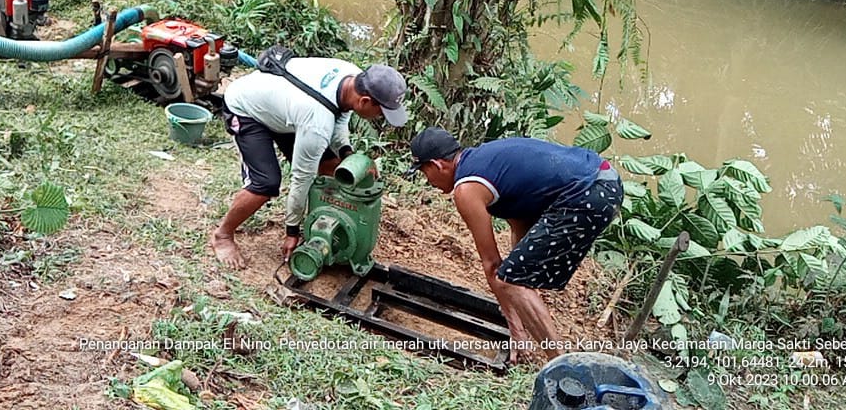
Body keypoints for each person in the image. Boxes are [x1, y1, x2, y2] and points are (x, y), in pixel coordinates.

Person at [409, 127, 623, 360]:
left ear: (437, 165)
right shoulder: (489, 163)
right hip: (605, 180)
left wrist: (516, 330)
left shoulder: (466, 189)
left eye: (424, 172)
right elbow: (520, 234)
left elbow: (491, 264)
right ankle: (550, 349)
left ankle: (560, 363)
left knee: (510, 279)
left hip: (587, 193)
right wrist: (518, 289)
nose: (428, 181)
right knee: (516, 274)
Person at [210, 58, 409, 269]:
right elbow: (301, 179)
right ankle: (222, 235)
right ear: (365, 102)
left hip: (287, 109)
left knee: (333, 167)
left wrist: (347, 154)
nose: (381, 117)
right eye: (381, 112)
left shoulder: (353, 76)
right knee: (265, 184)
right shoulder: (317, 123)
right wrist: (292, 232)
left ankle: (325, 222)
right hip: (247, 108)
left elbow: (339, 117)